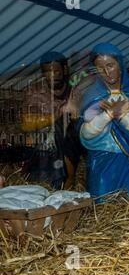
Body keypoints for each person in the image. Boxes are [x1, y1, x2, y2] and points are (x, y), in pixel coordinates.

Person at [79, 43, 129, 201]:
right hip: (101, 162)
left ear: (120, 65)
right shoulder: (92, 97)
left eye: (110, 65)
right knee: (104, 203)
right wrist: (110, 114)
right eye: (100, 68)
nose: (106, 72)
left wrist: (121, 115)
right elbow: (86, 133)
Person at [21, 51, 84, 189]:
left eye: (56, 71)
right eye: (47, 72)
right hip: (43, 140)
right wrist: (58, 114)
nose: (51, 76)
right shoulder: (34, 92)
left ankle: (66, 183)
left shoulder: (75, 92)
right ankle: (60, 182)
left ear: (65, 69)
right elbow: (27, 124)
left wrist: (76, 114)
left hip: (70, 139)